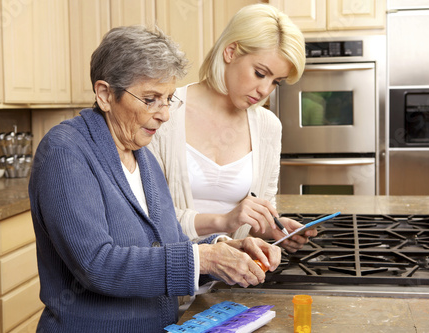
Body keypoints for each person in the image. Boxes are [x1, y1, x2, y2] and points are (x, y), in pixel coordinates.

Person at [28, 25, 281, 333]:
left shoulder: (143, 156)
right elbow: (96, 265)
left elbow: (169, 244)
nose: (164, 114)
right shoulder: (65, 151)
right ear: (105, 94)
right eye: (150, 99)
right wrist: (204, 259)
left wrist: (226, 248)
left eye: (168, 99)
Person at [149, 4, 316, 252]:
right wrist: (224, 220)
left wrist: (274, 229)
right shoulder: (164, 113)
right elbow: (148, 216)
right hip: (174, 277)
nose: (265, 91)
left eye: (276, 83)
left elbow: (258, 214)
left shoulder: (268, 127)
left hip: (234, 279)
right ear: (230, 52)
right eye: (260, 73)